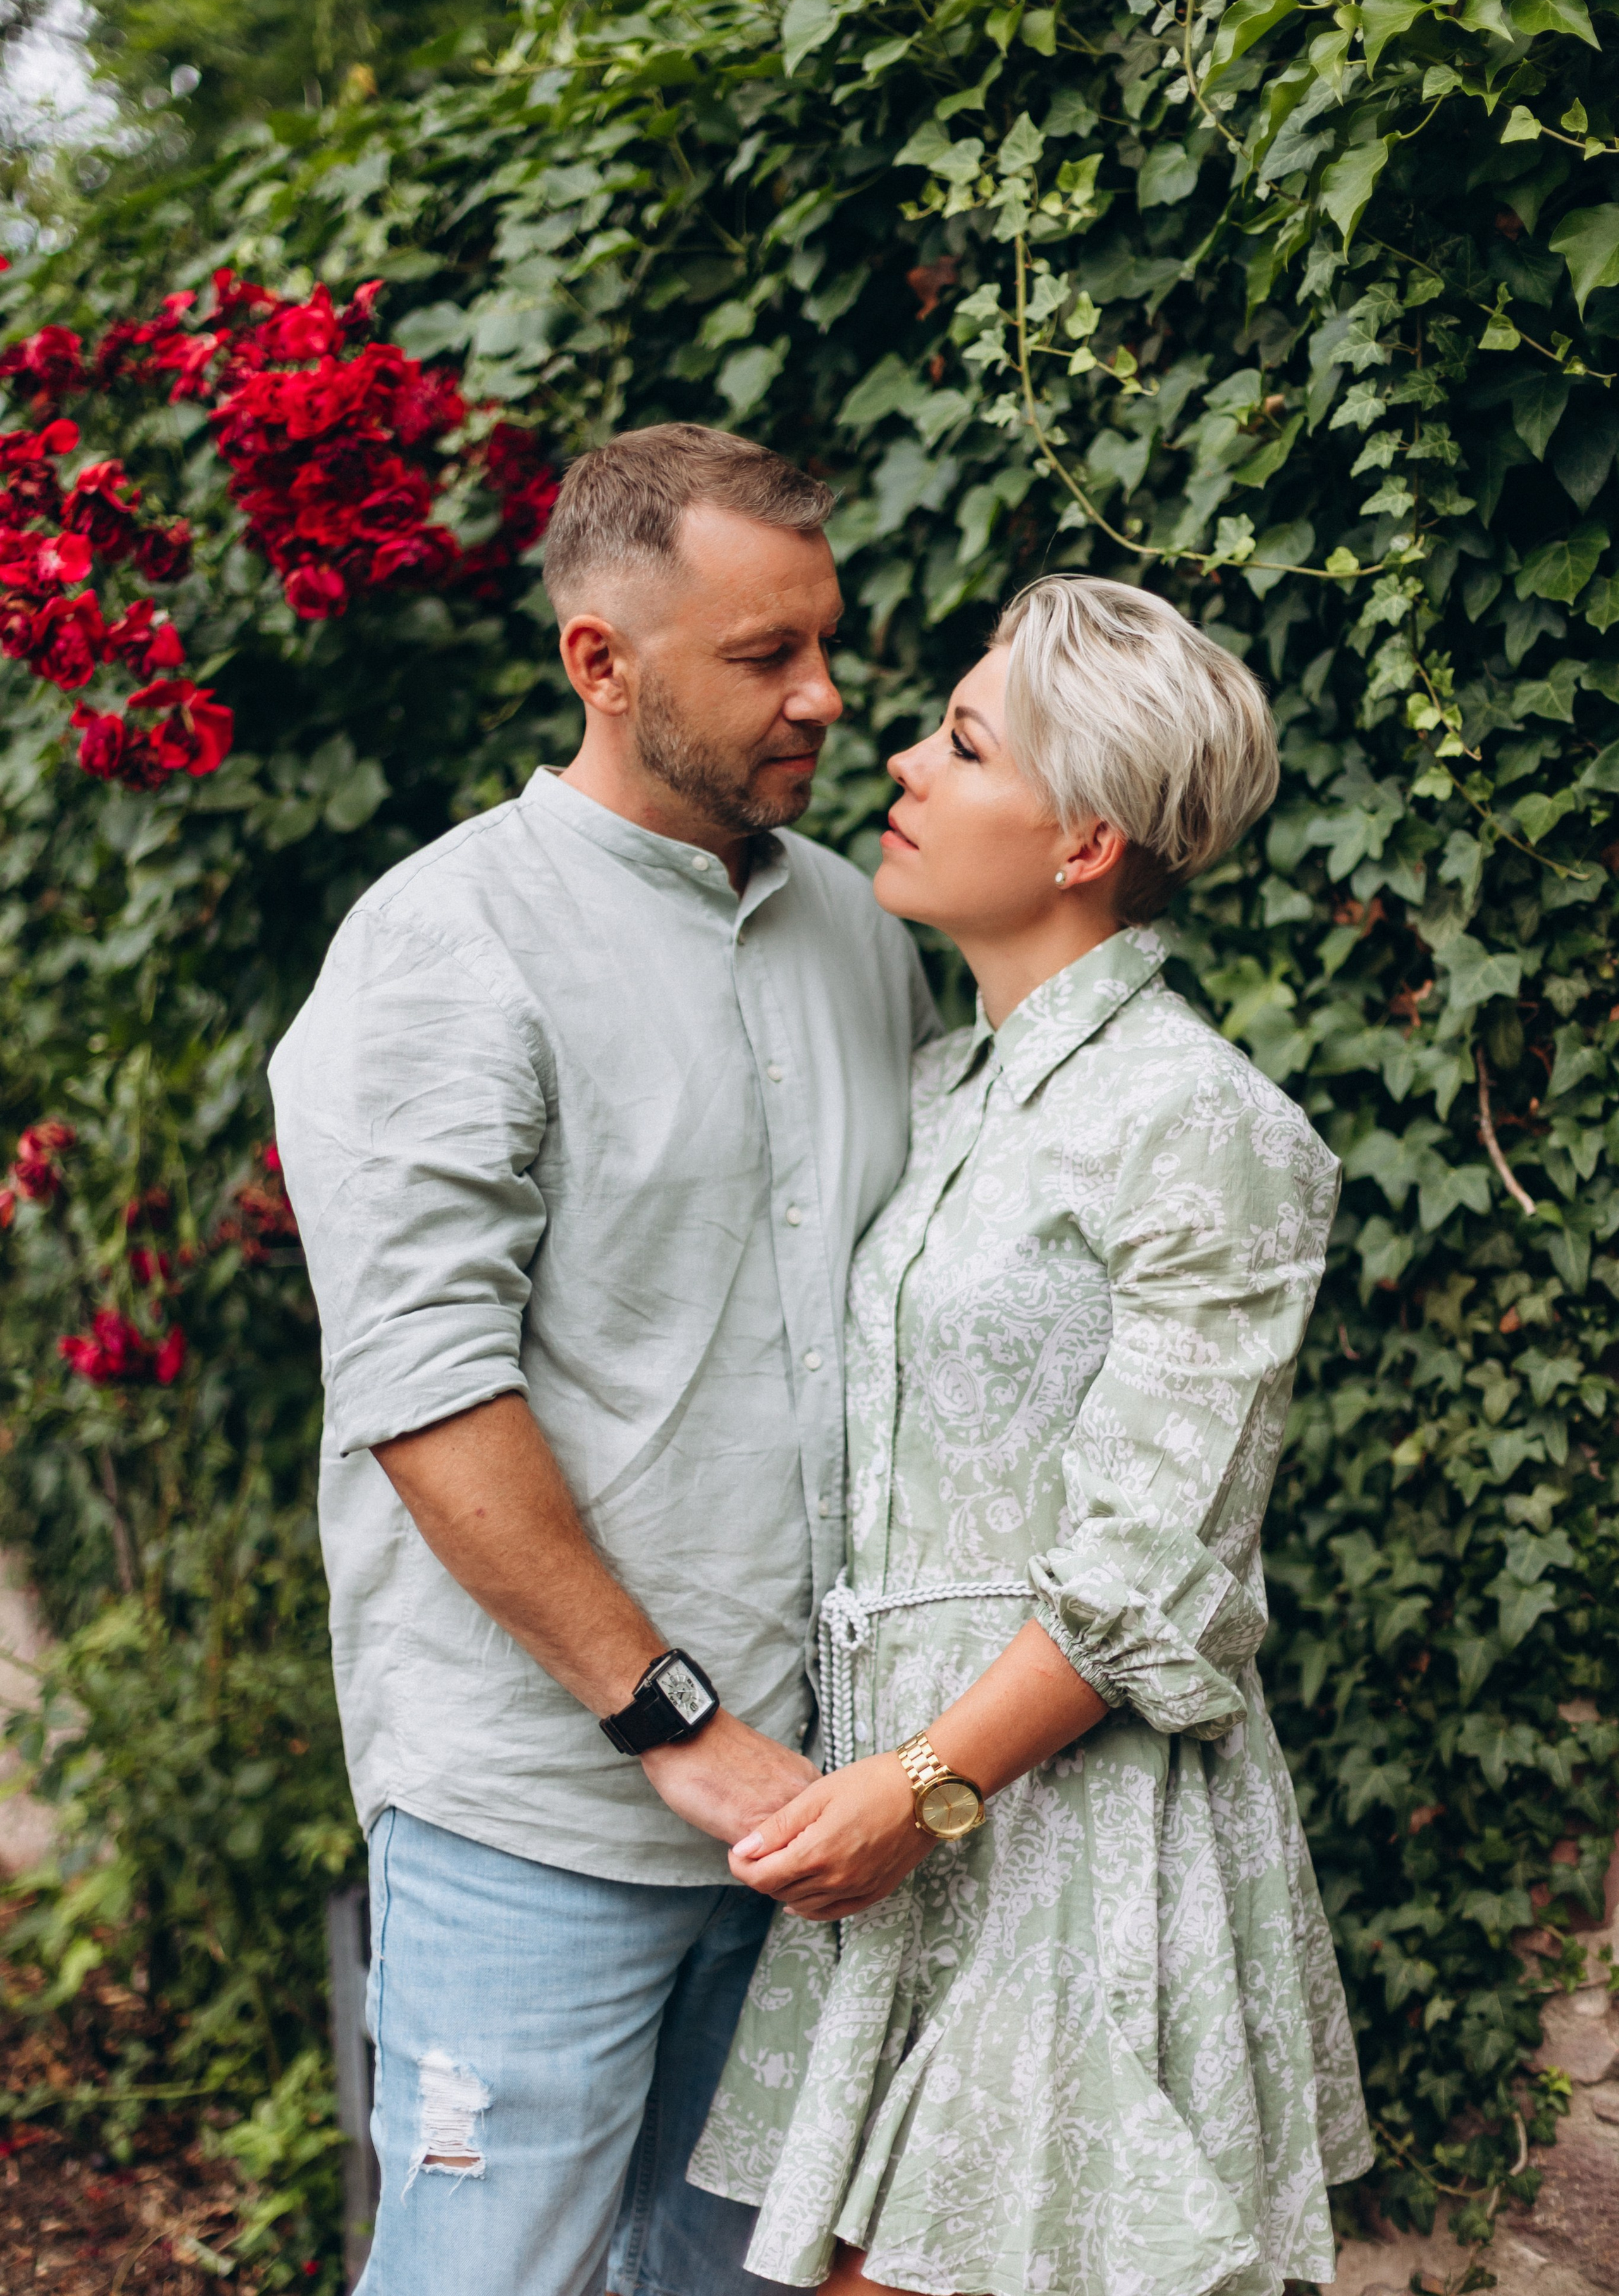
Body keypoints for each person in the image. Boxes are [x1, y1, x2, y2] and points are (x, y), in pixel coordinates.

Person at [268, 423, 937, 2296]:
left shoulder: (859, 933)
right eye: (761, 658)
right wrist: (674, 1727)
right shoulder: (444, 945)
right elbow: (421, 1391)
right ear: (600, 662)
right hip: (539, 1816)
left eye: (823, 640)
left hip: (813, 1817)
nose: (821, 695)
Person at [689, 574, 1373, 2296]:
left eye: (965, 741)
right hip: (901, 1829)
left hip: (1074, 1843)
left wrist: (920, 1792)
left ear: (1085, 840)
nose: (901, 761)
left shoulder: (1209, 1126)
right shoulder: (938, 1097)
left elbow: (1157, 1562)